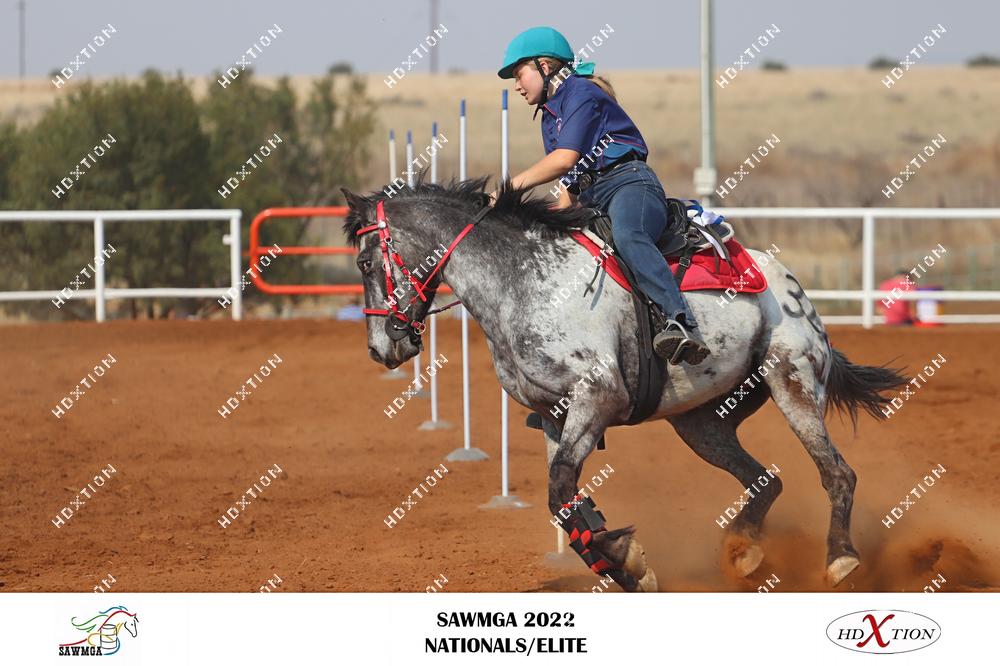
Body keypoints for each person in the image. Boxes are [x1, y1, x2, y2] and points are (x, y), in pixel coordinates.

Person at [493, 26, 710, 365]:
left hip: (630, 184)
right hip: (592, 197)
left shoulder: (580, 92)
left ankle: (681, 321)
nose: (517, 86)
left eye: (519, 75)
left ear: (544, 67)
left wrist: (507, 190)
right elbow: (569, 184)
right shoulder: (549, 114)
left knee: (628, 234)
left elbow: (564, 160)